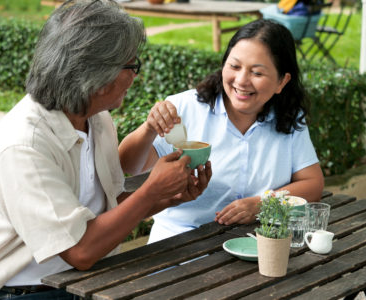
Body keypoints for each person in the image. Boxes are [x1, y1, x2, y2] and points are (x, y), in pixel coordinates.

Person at [0, 1, 211, 299]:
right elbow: (80, 251)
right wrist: (150, 193)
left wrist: (168, 197)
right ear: (97, 77)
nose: (136, 77)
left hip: (82, 281)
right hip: (18, 290)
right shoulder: (25, 145)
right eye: (131, 66)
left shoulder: (96, 118)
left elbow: (109, 203)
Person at [119, 19, 324, 244]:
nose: (241, 81)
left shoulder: (289, 118)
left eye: (257, 73)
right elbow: (129, 165)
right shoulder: (185, 107)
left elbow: (312, 184)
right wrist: (149, 128)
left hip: (256, 242)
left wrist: (262, 204)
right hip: (180, 243)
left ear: (281, 82)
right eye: (234, 66)